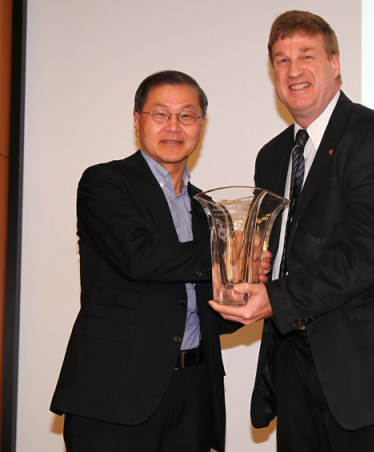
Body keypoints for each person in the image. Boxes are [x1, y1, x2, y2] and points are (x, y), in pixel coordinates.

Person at [210, 10, 374, 452]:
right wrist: (255, 272)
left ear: (336, 63)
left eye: (306, 55)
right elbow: (281, 251)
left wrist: (277, 298)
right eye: (281, 60)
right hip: (296, 375)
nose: (293, 70)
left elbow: (372, 249)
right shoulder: (272, 156)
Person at [51, 70, 245, 452]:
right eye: (161, 114)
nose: (174, 126)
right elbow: (139, 258)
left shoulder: (210, 210)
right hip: (115, 393)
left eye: (186, 116)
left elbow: (215, 315)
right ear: (137, 119)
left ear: (201, 126)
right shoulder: (105, 183)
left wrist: (244, 279)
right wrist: (226, 255)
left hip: (194, 392)